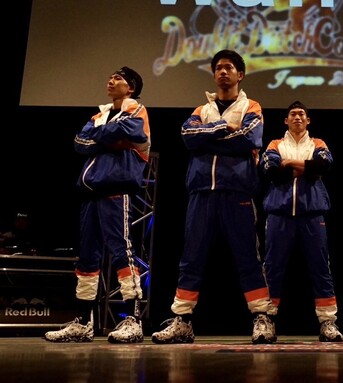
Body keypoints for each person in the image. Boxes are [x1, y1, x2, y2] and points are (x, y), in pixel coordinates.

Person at [151, 49, 276, 345]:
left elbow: (249, 138)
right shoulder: (201, 109)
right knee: (191, 258)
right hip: (202, 193)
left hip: (237, 192)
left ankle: (262, 318)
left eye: (229, 67)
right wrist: (222, 128)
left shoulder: (251, 106)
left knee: (248, 258)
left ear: (240, 74)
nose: (223, 71)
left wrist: (207, 140)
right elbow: (187, 137)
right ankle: (182, 321)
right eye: (219, 67)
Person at [44, 67, 151, 343]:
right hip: (91, 193)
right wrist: (108, 137)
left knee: (122, 253)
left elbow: (130, 130)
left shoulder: (137, 110)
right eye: (111, 77)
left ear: (130, 88)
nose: (111, 80)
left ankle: (134, 321)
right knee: (87, 258)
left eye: (118, 78)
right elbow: (80, 142)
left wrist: (99, 136)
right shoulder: (99, 115)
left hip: (117, 189)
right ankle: (83, 323)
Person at [259, 101, 343, 342]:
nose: (297, 117)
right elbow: (273, 172)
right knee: (272, 268)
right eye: (293, 114)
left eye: (301, 114)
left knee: (321, 268)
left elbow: (323, 167)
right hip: (279, 214)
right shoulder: (275, 144)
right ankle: (266, 320)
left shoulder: (319, 143)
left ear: (308, 120)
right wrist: (307, 167)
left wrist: (289, 163)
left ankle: (328, 322)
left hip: (312, 214)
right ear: (286, 120)